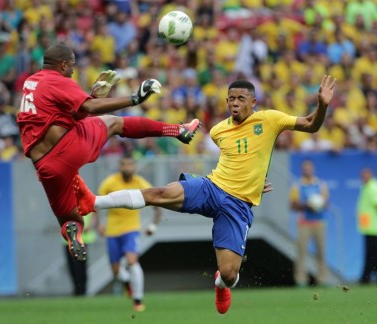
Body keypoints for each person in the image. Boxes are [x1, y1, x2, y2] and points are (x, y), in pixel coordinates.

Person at [74, 75, 336, 314]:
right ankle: (94, 201)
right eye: (230, 99)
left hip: (238, 205)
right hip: (212, 187)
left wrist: (322, 105)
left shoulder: (270, 119)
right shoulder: (218, 131)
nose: (234, 104)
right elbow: (236, 161)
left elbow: (311, 125)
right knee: (160, 192)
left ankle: (221, 284)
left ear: (253, 102)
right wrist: (252, 179)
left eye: (241, 99)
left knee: (230, 273)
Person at [16, 43, 201, 262]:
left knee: (71, 219)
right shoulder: (56, 80)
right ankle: (178, 130)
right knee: (114, 123)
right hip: (67, 148)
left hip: (45, 167)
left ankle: (76, 238)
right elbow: (90, 109)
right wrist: (134, 99)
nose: (73, 71)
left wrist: (91, 97)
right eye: (72, 66)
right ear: (63, 64)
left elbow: (69, 115)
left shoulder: (31, 82)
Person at [96, 156, 162, 312]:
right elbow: (96, 204)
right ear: (120, 167)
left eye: (130, 164)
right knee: (116, 271)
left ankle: (138, 300)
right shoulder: (109, 182)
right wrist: (98, 224)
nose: (127, 167)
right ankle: (127, 285)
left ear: (135, 167)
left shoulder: (140, 183)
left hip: (131, 228)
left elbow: (157, 204)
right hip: (112, 230)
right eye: (124, 164)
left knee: (132, 261)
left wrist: (153, 225)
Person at [290, 159, 330, 287]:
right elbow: (293, 205)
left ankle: (322, 279)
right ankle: (301, 280)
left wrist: (319, 204)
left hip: (319, 222)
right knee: (301, 251)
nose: (307, 170)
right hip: (304, 222)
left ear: (313, 169)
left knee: (321, 251)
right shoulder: (297, 185)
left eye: (309, 168)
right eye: (305, 168)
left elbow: (326, 203)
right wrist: (306, 205)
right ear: (302, 170)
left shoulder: (320, 185)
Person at [357, 168, 377, 284]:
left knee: (373, 253)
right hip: (368, 225)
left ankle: (372, 278)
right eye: (362, 175)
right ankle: (375, 277)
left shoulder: (373, 187)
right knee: (372, 253)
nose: (363, 177)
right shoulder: (366, 186)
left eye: (365, 175)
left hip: (374, 226)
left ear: (371, 175)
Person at [63, 212, 97, 296]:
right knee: (72, 266)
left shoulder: (85, 199)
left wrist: (90, 226)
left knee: (80, 265)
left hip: (83, 237)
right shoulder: (65, 200)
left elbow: (94, 212)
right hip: (68, 238)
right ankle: (77, 289)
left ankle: (82, 290)